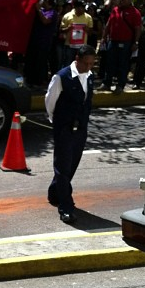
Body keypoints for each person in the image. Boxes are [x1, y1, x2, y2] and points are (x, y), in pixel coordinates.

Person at [45, 44, 97, 223]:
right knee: (63, 166)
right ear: (77, 59)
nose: (88, 68)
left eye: (92, 64)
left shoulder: (90, 77)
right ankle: (66, 206)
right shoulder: (62, 77)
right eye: (85, 64)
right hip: (64, 128)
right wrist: (57, 121)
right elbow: (50, 101)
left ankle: (55, 193)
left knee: (71, 165)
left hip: (80, 129)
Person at [98, 0, 142, 94]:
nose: (122, 0)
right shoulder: (115, 10)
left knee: (123, 64)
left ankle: (120, 85)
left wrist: (136, 42)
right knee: (109, 63)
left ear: (130, 0)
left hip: (126, 42)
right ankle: (106, 83)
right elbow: (109, 24)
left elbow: (138, 29)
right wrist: (104, 37)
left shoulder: (135, 12)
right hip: (112, 41)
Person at [24, 0, 58, 87]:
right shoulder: (41, 11)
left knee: (40, 62)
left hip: (44, 42)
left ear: (47, 1)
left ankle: (38, 81)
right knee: (31, 60)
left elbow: (45, 21)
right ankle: (30, 79)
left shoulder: (52, 12)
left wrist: (38, 9)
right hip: (34, 41)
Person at [60, 0, 93, 67]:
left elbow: (91, 33)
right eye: (80, 7)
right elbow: (61, 30)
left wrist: (87, 30)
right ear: (76, 8)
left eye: (83, 8)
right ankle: (68, 77)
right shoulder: (67, 16)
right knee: (68, 64)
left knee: (81, 64)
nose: (82, 9)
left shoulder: (88, 17)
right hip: (69, 46)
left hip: (82, 46)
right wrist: (68, 28)